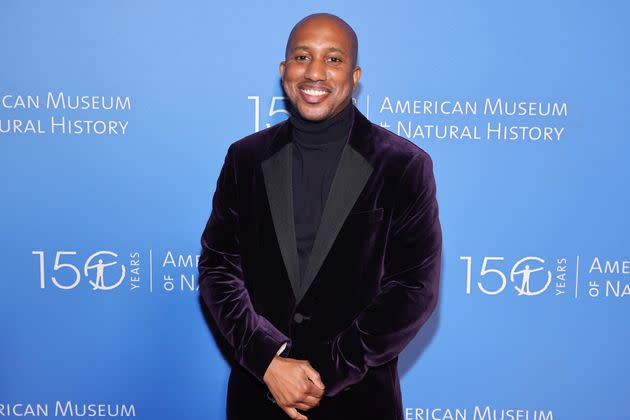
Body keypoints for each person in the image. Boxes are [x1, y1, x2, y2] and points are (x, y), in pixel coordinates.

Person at [199, 13, 442, 420]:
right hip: (259, 397)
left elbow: (413, 289)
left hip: (359, 402)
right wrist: (267, 361)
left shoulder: (403, 166)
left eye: (333, 59)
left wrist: (323, 373)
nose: (315, 72)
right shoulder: (245, 158)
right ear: (284, 70)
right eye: (302, 57)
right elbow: (218, 267)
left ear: (355, 74)